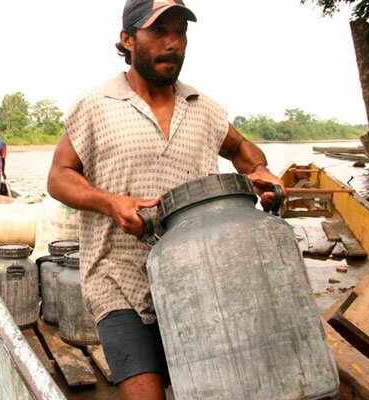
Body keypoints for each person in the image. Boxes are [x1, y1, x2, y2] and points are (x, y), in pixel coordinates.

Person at [47, 1, 286, 399]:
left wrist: (259, 171)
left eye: (180, 32)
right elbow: (58, 177)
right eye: (158, 32)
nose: (173, 43)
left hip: (196, 278)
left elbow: (242, 147)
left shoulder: (203, 108)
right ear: (127, 39)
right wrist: (112, 203)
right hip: (117, 278)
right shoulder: (96, 105)